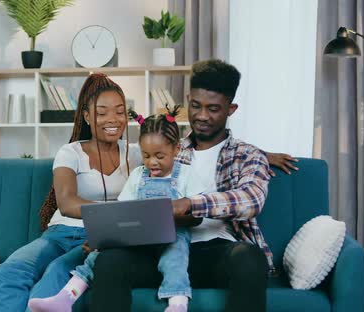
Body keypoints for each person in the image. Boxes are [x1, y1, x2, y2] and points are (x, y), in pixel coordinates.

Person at [89, 59, 276, 312]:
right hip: (158, 252)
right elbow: (133, 202)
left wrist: (189, 204)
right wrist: (109, 236)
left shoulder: (248, 155)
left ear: (231, 109)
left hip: (212, 253)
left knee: (249, 258)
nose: (201, 116)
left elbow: (251, 200)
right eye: (196, 105)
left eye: (213, 109)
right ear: (188, 99)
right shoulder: (165, 148)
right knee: (108, 260)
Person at [28, 106, 210, 312]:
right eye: (146, 155)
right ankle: (66, 297)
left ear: (176, 149)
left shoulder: (186, 174)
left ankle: (177, 304)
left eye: (160, 155)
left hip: (172, 236)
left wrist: (170, 216)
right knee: (99, 254)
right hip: (139, 237)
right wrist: (104, 238)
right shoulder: (139, 175)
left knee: (175, 257)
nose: (152, 162)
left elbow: (197, 215)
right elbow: (123, 210)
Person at [0, 73, 141, 311]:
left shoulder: (137, 153)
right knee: (12, 270)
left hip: (99, 238)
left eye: (120, 112)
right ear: (87, 117)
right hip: (60, 233)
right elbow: (67, 202)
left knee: (55, 275)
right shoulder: (70, 152)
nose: (112, 119)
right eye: (102, 113)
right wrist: (119, 213)